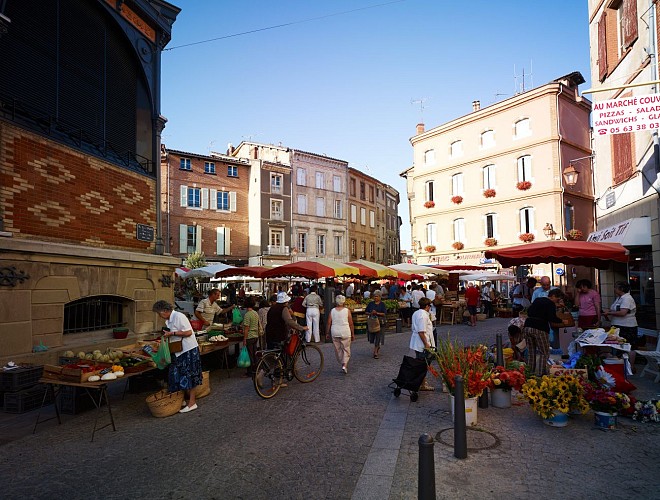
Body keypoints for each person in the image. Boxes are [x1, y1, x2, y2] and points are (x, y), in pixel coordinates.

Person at [152, 300, 202, 413]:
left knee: (189, 375)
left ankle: (192, 403)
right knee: (177, 375)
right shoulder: (168, 320)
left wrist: (172, 334)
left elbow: (189, 332)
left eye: (159, 313)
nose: (159, 316)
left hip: (188, 349)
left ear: (164, 311)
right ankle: (182, 400)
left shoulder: (179, 316)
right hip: (178, 350)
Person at [522, 288, 564, 376]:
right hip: (540, 328)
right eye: (558, 299)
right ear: (553, 296)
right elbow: (552, 318)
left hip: (528, 326)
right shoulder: (550, 304)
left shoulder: (537, 300)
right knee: (543, 352)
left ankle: (529, 373)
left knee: (531, 351)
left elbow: (529, 311)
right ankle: (541, 374)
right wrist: (562, 321)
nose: (558, 301)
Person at [603, 281, 641, 365]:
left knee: (629, 345)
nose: (614, 289)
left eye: (616, 287)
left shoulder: (627, 298)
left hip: (627, 326)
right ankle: (621, 363)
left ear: (622, 289)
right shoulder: (619, 298)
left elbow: (623, 312)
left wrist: (609, 313)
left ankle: (630, 366)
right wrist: (607, 312)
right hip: (617, 325)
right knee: (618, 345)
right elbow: (614, 309)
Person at [410, 297, 436, 391]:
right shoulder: (423, 315)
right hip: (422, 344)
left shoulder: (417, 313)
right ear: (427, 306)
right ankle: (422, 384)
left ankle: (422, 383)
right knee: (423, 365)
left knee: (422, 364)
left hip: (418, 343)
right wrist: (426, 344)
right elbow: (421, 331)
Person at [326, 294, 355, 374]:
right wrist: (353, 333)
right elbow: (351, 323)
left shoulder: (332, 311)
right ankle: (345, 364)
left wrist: (327, 333)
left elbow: (328, 323)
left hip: (335, 332)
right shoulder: (347, 311)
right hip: (345, 331)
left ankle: (342, 363)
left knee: (338, 349)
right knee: (346, 348)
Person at [241, 297, 260, 377]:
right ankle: (256, 370)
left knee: (249, 355)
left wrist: (244, 339)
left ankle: (250, 372)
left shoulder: (247, 315)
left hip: (249, 337)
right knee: (254, 354)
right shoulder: (255, 313)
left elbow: (246, 328)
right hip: (255, 336)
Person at [365, 290, 387, 359]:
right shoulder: (371, 304)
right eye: (374, 296)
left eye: (377, 296)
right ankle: (377, 347)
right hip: (372, 323)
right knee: (372, 337)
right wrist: (371, 313)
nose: (375, 298)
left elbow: (384, 313)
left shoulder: (382, 304)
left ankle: (375, 352)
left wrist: (377, 313)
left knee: (378, 336)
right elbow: (366, 312)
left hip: (380, 323)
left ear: (380, 297)